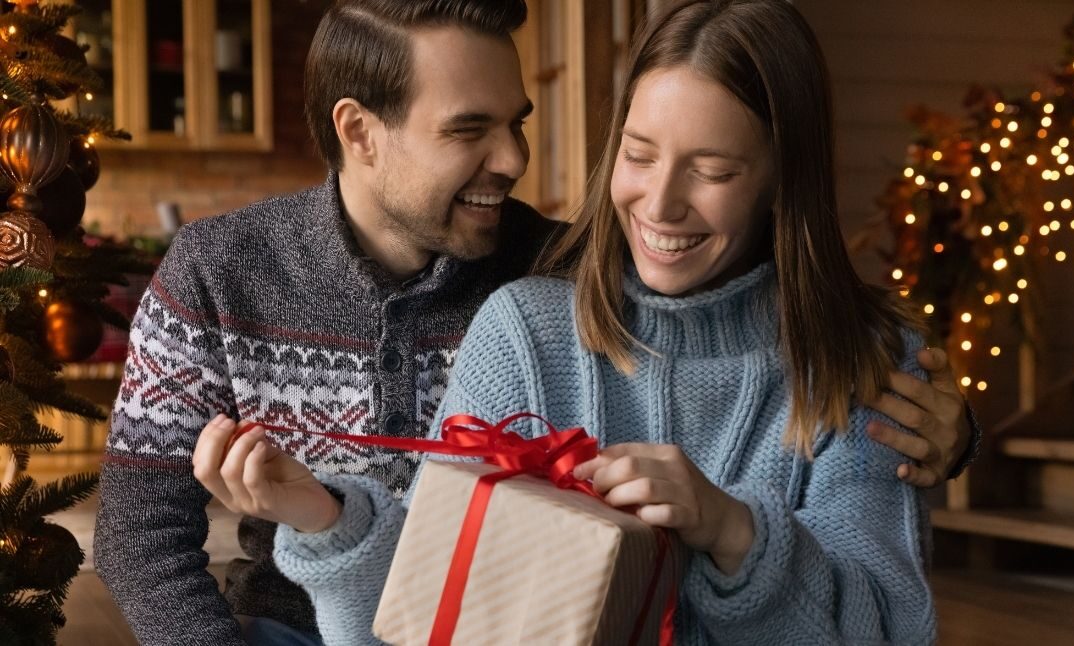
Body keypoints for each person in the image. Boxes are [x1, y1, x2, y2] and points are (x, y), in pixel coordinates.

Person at [108, 0, 970, 644]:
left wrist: (946, 432)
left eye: (517, 124)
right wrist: (320, 523)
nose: (516, 162)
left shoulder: (557, 264)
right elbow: (143, 538)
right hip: (296, 619)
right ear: (360, 132)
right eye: (469, 130)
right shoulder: (223, 270)